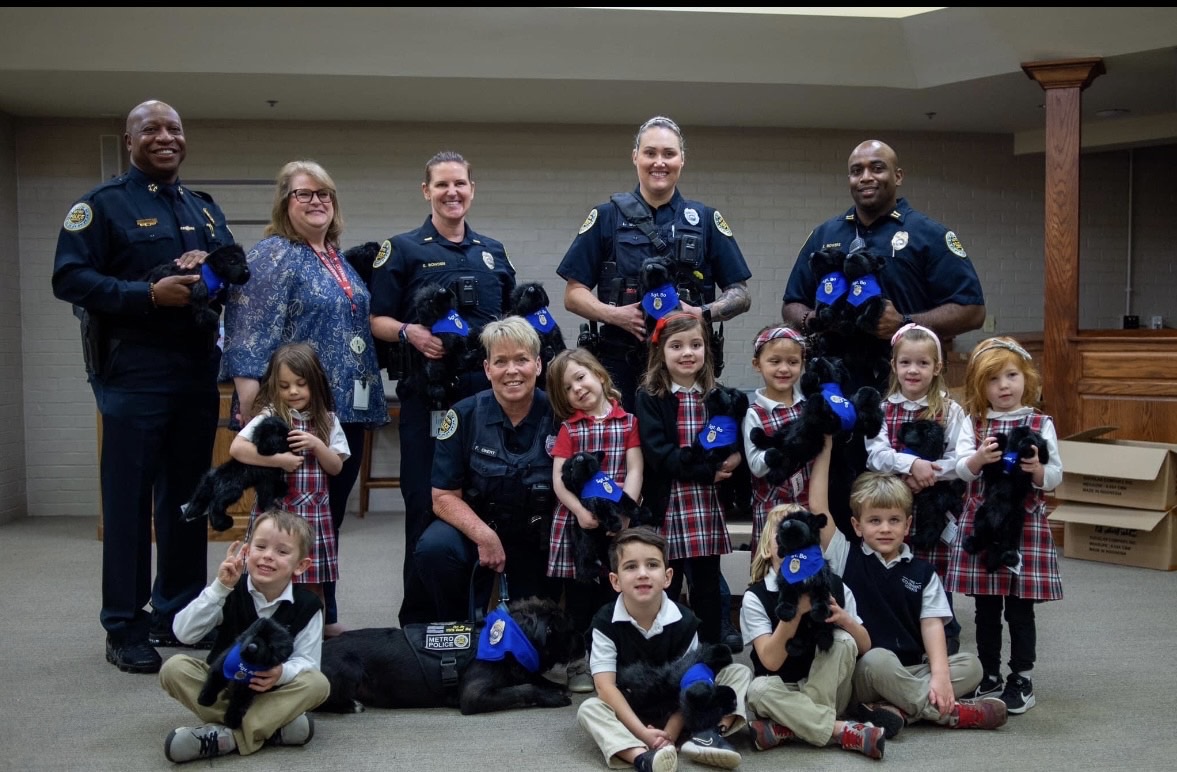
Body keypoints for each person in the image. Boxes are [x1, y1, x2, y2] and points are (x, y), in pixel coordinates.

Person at [51, 99, 236, 673]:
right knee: (128, 503)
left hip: (196, 373)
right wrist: (146, 294)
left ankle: (175, 612)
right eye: (151, 129)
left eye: (174, 129)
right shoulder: (102, 206)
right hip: (133, 374)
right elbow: (69, 277)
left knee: (187, 499)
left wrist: (213, 263)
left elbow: (232, 268)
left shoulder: (202, 208)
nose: (165, 137)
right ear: (129, 141)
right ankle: (124, 625)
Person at [781, 138, 986, 542]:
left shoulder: (927, 234)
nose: (866, 177)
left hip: (902, 387)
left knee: (900, 487)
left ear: (898, 175)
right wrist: (813, 320)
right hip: (838, 386)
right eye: (857, 170)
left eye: (877, 168)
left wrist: (905, 322)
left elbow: (971, 308)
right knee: (839, 483)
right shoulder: (826, 234)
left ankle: (905, 584)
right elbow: (791, 303)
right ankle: (845, 581)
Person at [221, 160, 387, 637]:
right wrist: (252, 405)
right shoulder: (276, 254)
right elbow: (250, 329)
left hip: (343, 410)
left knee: (325, 520)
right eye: (304, 194)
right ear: (284, 202)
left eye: (324, 194)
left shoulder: (333, 255)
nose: (316, 201)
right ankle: (275, 619)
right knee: (289, 526)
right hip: (299, 412)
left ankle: (320, 616)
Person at [368, 151, 516, 625]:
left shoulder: (492, 251)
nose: (452, 193)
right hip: (427, 399)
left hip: (486, 403)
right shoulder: (404, 249)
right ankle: (419, 620)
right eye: (442, 185)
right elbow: (375, 318)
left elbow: (510, 321)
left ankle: (476, 614)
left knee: (482, 502)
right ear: (426, 191)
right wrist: (410, 332)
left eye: (460, 184)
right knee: (424, 504)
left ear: (472, 188)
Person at [557, 115, 751, 412]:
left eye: (668, 154)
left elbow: (740, 293)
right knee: (625, 452)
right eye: (650, 153)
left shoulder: (706, 220)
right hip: (620, 364)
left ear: (682, 160)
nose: (659, 162)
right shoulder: (606, 217)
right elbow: (573, 294)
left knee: (685, 448)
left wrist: (702, 313)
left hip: (688, 367)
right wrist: (614, 314)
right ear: (635, 156)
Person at [826, 471, 1008, 738]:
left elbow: (932, 625)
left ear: (908, 525)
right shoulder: (845, 556)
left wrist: (941, 675)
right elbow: (818, 508)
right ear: (857, 525)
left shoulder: (923, 572)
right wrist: (826, 444)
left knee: (972, 665)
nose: (885, 528)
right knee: (879, 658)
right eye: (874, 520)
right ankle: (949, 713)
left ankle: (894, 709)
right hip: (866, 672)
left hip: (911, 669)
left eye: (894, 520)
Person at [740, 437, 885, 760]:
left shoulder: (834, 583)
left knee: (844, 642)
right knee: (757, 690)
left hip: (832, 687)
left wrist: (845, 620)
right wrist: (793, 615)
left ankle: (792, 726)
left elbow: (864, 647)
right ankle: (837, 730)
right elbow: (771, 662)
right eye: (783, 536)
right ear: (768, 548)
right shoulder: (755, 597)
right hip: (783, 687)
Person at [945, 336, 1063, 715]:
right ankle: (989, 672)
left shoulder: (1041, 422)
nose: (1004, 386)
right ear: (981, 386)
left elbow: (1056, 476)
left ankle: (1022, 676)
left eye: (1011, 375)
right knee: (985, 608)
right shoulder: (974, 421)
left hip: (1024, 526)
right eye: (993, 379)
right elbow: (961, 469)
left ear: (1026, 377)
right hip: (984, 525)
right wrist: (978, 458)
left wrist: (1038, 470)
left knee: (1020, 607)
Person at [414, 316, 560, 621]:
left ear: (538, 365)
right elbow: (443, 497)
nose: (511, 371)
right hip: (477, 527)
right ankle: (456, 630)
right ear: (487, 368)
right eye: (501, 361)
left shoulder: (560, 414)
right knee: (435, 549)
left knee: (531, 635)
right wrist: (484, 536)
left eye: (521, 360)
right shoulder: (462, 416)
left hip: (538, 539)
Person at [159, 509, 329, 763]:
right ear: (247, 551)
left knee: (318, 684)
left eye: (282, 552)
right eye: (260, 547)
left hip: (271, 693)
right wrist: (219, 588)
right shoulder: (229, 589)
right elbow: (184, 633)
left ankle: (224, 738)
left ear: (301, 566)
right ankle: (271, 727)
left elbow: (308, 663)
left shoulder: (307, 606)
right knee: (173, 668)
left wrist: (281, 673)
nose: (268, 557)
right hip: (222, 685)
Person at [577, 527, 752, 772]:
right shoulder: (605, 624)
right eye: (630, 567)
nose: (642, 574)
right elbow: (605, 687)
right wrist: (646, 735)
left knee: (737, 673)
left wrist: (670, 732)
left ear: (668, 577)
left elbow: (690, 682)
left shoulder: (685, 621)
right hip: (631, 712)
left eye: (652, 565)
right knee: (590, 709)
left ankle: (709, 734)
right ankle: (641, 756)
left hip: (679, 707)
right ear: (615, 581)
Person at [636, 313, 740, 645]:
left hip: (705, 506)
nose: (687, 353)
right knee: (667, 582)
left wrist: (734, 458)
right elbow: (659, 453)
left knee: (707, 584)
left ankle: (709, 647)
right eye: (677, 346)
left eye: (696, 345)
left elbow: (734, 442)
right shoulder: (651, 396)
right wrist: (707, 471)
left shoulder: (718, 395)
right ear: (661, 352)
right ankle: (669, 649)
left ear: (706, 350)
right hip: (668, 506)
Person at [864, 323, 967, 650]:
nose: (913, 370)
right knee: (897, 566)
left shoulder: (951, 410)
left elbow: (959, 459)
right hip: (894, 508)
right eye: (906, 362)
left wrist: (929, 473)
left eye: (923, 363)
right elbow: (876, 456)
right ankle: (900, 628)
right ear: (894, 365)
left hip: (936, 508)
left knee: (934, 568)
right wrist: (912, 465)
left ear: (937, 367)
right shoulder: (882, 409)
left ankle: (944, 628)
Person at [547, 348, 643, 694]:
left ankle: (612, 660)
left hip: (615, 522)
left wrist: (625, 513)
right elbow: (559, 478)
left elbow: (634, 469)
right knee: (579, 597)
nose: (577, 389)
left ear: (599, 375)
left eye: (581, 378)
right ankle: (577, 662)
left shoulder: (629, 422)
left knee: (613, 593)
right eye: (567, 388)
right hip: (580, 526)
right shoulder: (569, 430)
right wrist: (578, 511)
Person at [229, 343, 349, 614]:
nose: (293, 392)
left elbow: (336, 467)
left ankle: (311, 637)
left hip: (313, 515)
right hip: (277, 513)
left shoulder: (328, 421)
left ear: (315, 383)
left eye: (300, 384)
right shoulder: (270, 415)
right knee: (269, 579)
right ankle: (268, 632)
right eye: (284, 386)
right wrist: (278, 460)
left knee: (312, 583)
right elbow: (237, 448)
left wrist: (317, 445)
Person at [742, 325, 811, 548]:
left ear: (802, 365)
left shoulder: (809, 408)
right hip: (770, 509)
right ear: (757, 364)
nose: (784, 369)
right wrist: (786, 447)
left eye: (792, 362)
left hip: (807, 505)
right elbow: (756, 465)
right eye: (774, 361)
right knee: (770, 566)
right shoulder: (755, 413)